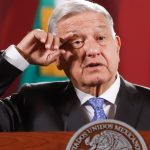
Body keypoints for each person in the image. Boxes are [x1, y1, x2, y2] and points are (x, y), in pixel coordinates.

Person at [0, 0, 150, 132]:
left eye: (101, 38)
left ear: (117, 46)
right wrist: (17, 57)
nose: (92, 51)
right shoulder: (30, 104)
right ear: (58, 57)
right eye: (77, 42)